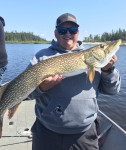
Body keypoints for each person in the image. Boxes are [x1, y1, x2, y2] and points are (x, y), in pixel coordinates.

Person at [27, 13, 121, 150]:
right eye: (62, 30)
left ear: (78, 32)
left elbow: (112, 91)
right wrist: (42, 87)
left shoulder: (95, 62)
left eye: (72, 30)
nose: (68, 34)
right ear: (55, 33)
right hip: (47, 131)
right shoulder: (41, 57)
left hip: (84, 133)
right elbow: (27, 94)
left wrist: (108, 70)